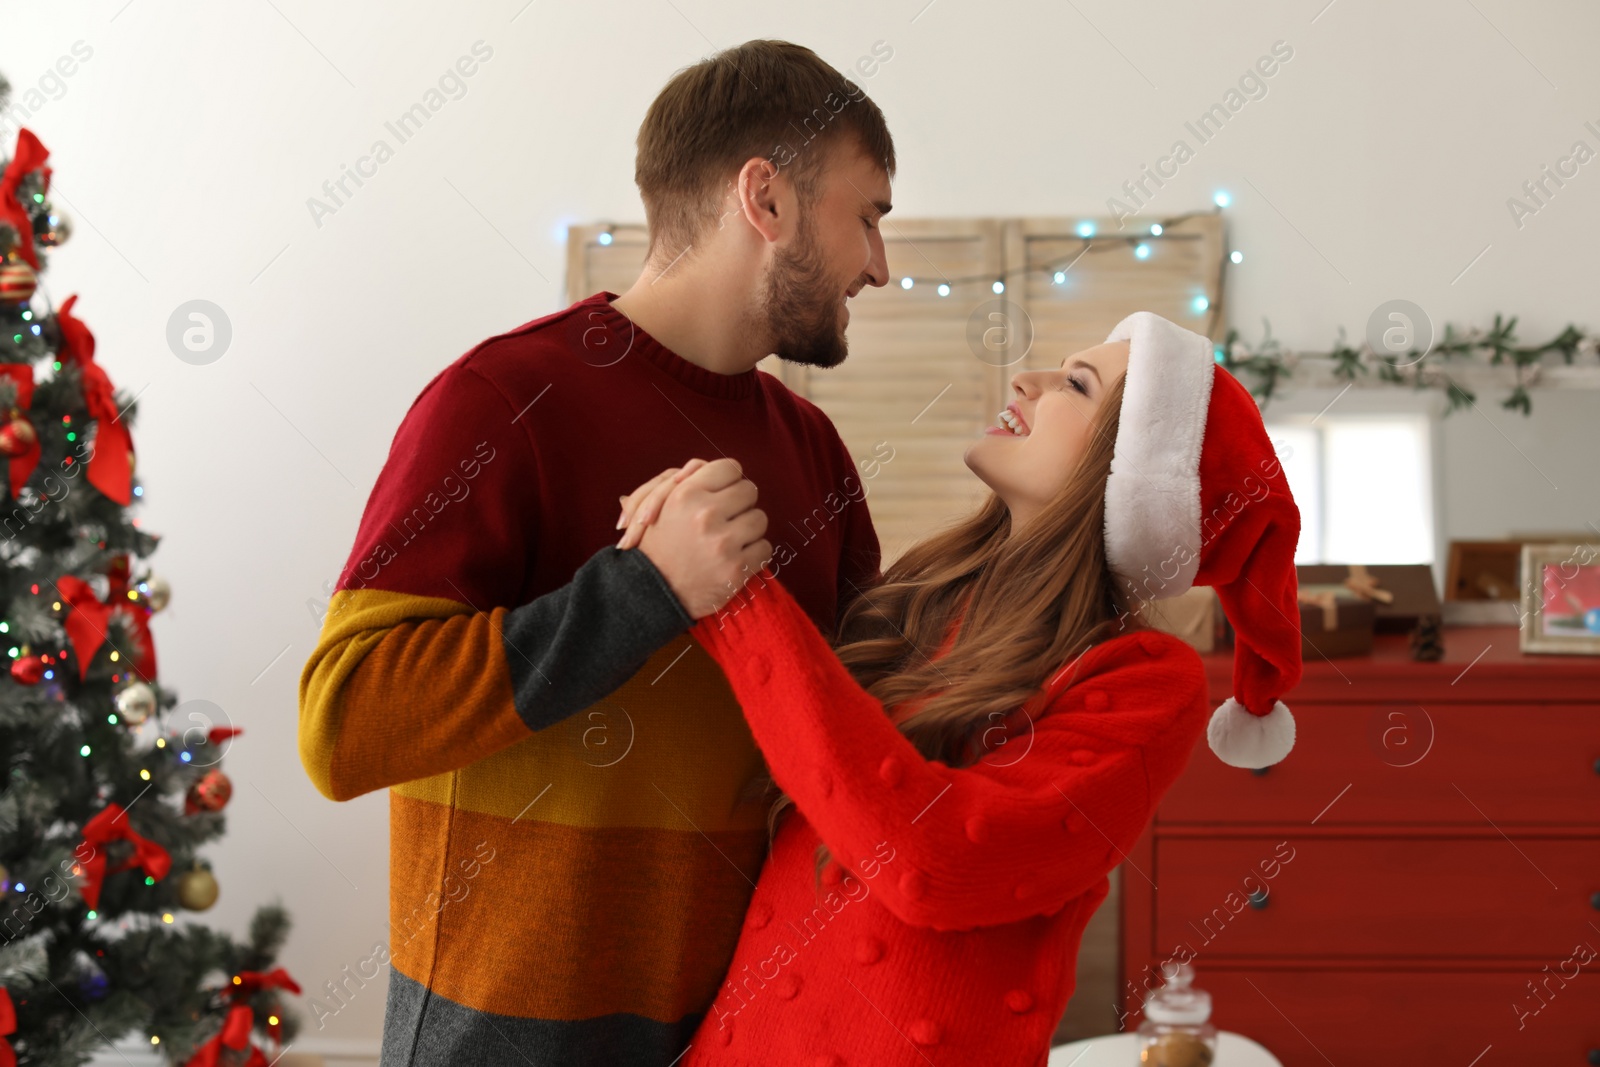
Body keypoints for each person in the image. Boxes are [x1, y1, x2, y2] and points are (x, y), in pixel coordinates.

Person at [297, 40, 896, 1066]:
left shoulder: (816, 454)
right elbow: (345, 720)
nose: (880, 265)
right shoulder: (498, 402)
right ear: (768, 199)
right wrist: (642, 592)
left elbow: (860, 738)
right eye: (870, 215)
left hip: (740, 1038)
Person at [615, 311, 1304, 1065]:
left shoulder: (1145, 679)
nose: (1025, 380)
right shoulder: (924, 594)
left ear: (1132, 472)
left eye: (1076, 383)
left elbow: (932, 864)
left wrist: (736, 596)